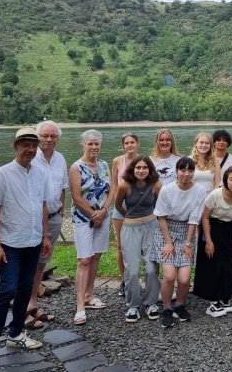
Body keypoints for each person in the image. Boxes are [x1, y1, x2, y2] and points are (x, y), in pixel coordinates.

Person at [0, 128, 51, 368]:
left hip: (33, 242)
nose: (30, 150)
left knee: (24, 289)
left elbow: (42, 206)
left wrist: (46, 236)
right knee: (6, 291)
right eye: (25, 145)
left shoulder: (40, 173)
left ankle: (16, 333)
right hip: (10, 245)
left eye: (34, 145)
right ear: (16, 146)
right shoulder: (1, 175)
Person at [24, 120, 68, 329]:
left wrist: (60, 211)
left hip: (53, 217)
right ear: (37, 137)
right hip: (33, 220)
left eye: (53, 136)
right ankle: (22, 310)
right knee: (27, 263)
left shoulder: (60, 159)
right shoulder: (31, 158)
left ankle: (32, 305)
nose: (49, 140)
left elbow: (63, 188)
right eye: (45, 136)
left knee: (41, 263)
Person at [153, 157, 207, 326]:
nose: (186, 174)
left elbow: (194, 219)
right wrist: (168, 243)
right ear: (176, 172)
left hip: (186, 232)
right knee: (169, 276)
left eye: (190, 170)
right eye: (183, 170)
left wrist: (188, 244)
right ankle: (167, 309)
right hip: (166, 230)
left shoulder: (199, 190)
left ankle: (180, 306)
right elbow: (161, 217)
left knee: (184, 279)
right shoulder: (167, 190)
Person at [69, 129, 112, 326]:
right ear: (83, 145)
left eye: (97, 144)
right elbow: (76, 197)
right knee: (84, 259)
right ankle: (80, 306)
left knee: (96, 256)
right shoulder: (76, 167)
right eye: (90, 144)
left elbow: (112, 190)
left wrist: (103, 210)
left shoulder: (104, 165)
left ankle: (89, 294)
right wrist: (93, 214)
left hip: (103, 216)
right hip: (83, 217)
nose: (94, 147)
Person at [194, 165, 232, 318]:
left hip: (228, 229)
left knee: (227, 264)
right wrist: (208, 241)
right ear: (226, 180)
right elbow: (204, 217)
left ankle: (224, 298)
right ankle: (212, 301)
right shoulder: (216, 194)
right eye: (231, 179)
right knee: (213, 263)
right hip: (211, 228)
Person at [114, 155, 162, 323]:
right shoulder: (124, 185)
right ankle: (132, 305)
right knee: (132, 269)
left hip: (151, 227)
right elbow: (118, 205)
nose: (141, 171)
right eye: (138, 168)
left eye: (144, 168)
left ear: (150, 170)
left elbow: (159, 205)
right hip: (130, 228)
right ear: (133, 170)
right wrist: (129, 217)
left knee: (151, 267)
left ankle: (151, 303)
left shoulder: (156, 185)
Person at [111, 132, 139, 298]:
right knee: (121, 247)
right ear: (123, 145)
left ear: (137, 143)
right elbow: (114, 184)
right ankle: (124, 281)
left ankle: (137, 278)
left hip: (138, 207)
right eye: (127, 143)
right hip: (120, 207)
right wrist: (117, 202)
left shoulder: (143, 160)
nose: (129, 145)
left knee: (138, 247)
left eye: (132, 142)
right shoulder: (117, 161)